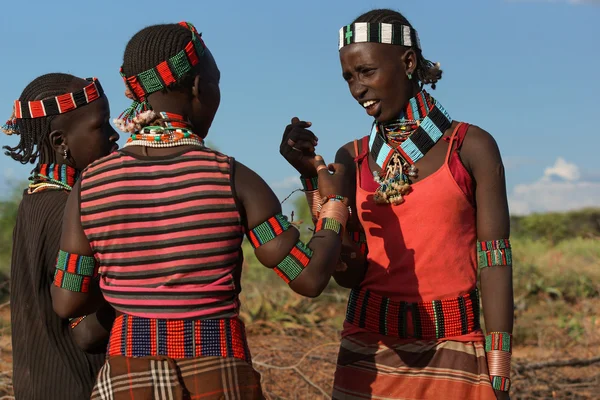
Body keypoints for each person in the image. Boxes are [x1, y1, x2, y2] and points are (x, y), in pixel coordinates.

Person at [50, 22, 348, 400]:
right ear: (197, 88)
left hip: (128, 378)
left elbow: (67, 300)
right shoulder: (233, 178)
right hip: (220, 375)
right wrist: (333, 203)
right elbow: (307, 276)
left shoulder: (91, 185)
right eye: (216, 82)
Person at [280, 8, 514, 400]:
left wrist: (499, 371)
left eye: (367, 72)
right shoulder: (351, 158)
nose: (357, 89)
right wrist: (312, 178)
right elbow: (344, 274)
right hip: (368, 354)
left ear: (407, 62)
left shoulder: (470, 147)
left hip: (455, 349)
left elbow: (495, 260)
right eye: (349, 78)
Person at [2, 73, 119, 399]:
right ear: (59, 142)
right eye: (101, 125)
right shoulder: (67, 211)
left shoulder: (35, 201)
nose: (114, 135)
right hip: (75, 387)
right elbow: (85, 332)